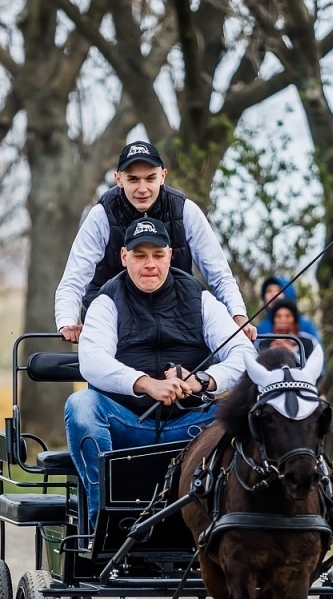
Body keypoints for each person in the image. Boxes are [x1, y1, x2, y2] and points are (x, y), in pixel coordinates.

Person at [66, 216, 253, 532]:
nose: (149, 264)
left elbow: (245, 357)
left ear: (171, 255)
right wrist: (145, 384)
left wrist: (201, 380)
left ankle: (232, 524)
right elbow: (92, 361)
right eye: (139, 255)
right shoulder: (106, 300)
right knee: (80, 406)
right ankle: (105, 526)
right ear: (125, 257)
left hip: (194, 425)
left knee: (246, 411)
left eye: (157, 255)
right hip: (128, 422)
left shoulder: (200, 298)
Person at [55, 141, 251, 343]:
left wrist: (237, 314)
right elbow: (74, 277)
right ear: (118, 179)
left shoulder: (186, 210)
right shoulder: (101, 214)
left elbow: (219, 274)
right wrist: (67, 321)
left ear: (163, 176)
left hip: (176, 316)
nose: (142, 188)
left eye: (150, 178)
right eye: (133, 179)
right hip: (113, 319)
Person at [256, 299, 321, 373]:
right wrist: (270, 352)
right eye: (278, 316)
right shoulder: (263, 342)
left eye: (287, 316)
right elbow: (257, 369)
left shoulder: (308, 342)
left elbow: (314, 370)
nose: (283, 320)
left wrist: (291, 350)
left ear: (294, 320)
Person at [254, 276, 321, 340]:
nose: (273, 294)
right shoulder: (261, 329)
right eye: (269, 291)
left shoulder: (305, 326)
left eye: (278, 290)